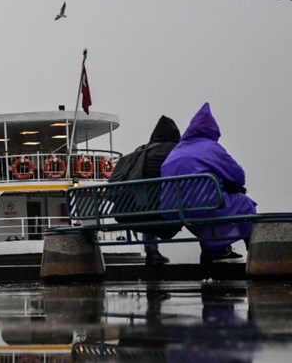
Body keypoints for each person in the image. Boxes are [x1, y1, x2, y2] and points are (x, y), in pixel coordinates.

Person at [160, 103, 258, 265]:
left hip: (174, 209)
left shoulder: (175, 151)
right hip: (205, 206)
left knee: (205, 208)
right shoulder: (211, 148)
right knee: (244, 203)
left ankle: (211, 250)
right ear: (212, 131)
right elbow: (238, 176)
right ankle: (255, 252)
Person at [109, 115, 182, 265]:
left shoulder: (140, 152)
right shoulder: (176, 151)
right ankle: (214, 249)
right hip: (166, 210)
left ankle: (151, 251)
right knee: (204, 205)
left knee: (146, 203)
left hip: (134, 210)